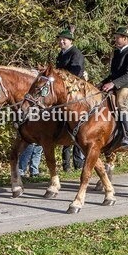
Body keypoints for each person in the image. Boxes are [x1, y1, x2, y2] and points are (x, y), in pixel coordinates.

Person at [100, 25, 128, 149]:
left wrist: (113, 84)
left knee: (121, 102)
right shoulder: (117, 52)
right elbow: (113, 74)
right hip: (117, 83)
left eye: (118, 37)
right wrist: (102, 83)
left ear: (125, 38)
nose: (115, 39)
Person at [55, 28, 85, 171]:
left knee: (76, 122)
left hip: (74, 89)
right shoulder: (60, 54)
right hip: (63, 90)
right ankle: (66, 164)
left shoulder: (76, 54)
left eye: (64, 39)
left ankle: (78, 163)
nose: (61, 41)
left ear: (70, 41)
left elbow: (75, 73)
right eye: (60, 39)